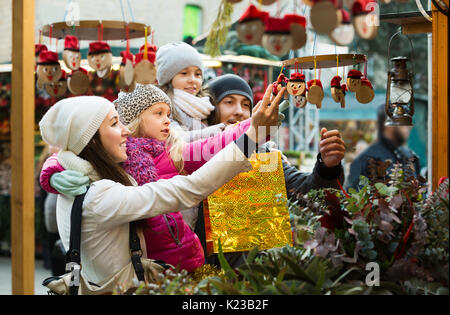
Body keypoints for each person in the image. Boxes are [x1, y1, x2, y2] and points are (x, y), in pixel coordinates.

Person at [38, 89, 283, 284]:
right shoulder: (99, 194)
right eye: (114, 124)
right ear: (90, 140)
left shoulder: (82, 181)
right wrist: (254, 134)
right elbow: (191, 188)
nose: (124, 130)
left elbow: (213, 143)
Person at [156, 42, 226, 141]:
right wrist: (210, 132)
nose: (192, 80)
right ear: (168, 78)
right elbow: (174, 138)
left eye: (197, 74)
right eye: (184, 73)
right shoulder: (163, 105)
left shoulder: (206, 106)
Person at [344, 105, 420, 191]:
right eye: (403, 122)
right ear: (387, 124)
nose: (409, 126)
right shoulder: (365, 160)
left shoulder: (410, 156)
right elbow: (352, 199)